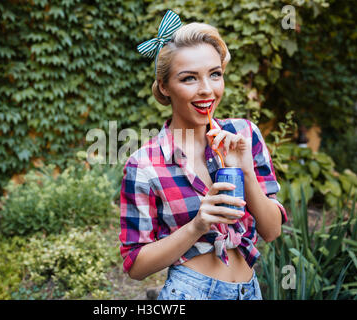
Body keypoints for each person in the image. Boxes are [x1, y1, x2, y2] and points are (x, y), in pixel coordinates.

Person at [119, 10, 287, 300]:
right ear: (164, 87)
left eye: (215, 74)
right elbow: (135, 266)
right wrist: (198, 225)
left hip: (250, 290)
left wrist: (246, 171)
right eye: (189, 79)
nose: (206, 90)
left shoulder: (244, 135)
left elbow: (271, 231)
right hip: (189, 292)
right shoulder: (145, 164)